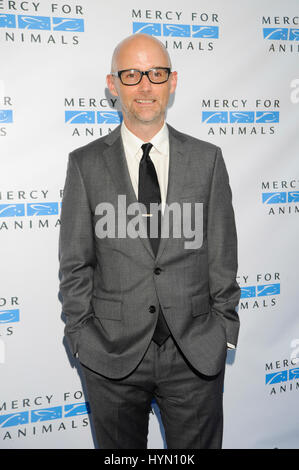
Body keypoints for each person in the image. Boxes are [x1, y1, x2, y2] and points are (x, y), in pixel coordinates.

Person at [59, 33, 241, 449]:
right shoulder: (85, 164)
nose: (145, 86)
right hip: (110, 358)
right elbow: (75, 264)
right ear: (113, 84)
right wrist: (82, 338)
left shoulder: (207, 159)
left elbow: (222, 255)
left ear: (172, 81)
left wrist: (223, 330)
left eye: (156, 73)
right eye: (132, 74)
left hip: (194, 354)